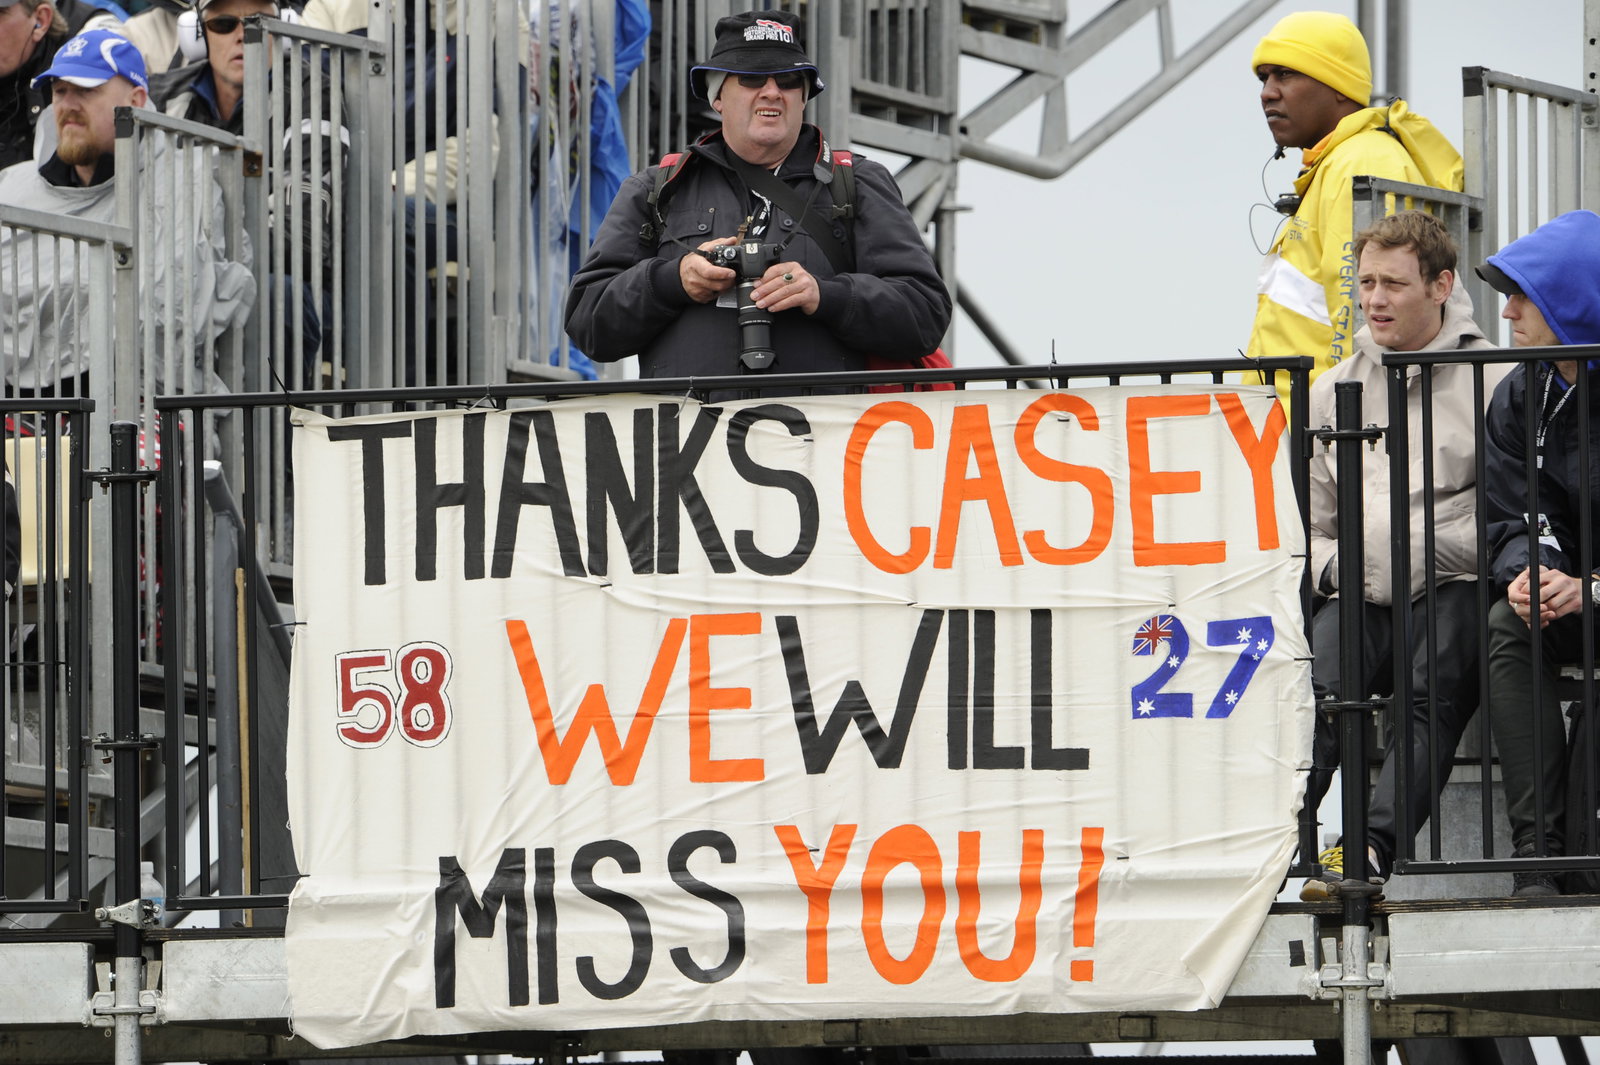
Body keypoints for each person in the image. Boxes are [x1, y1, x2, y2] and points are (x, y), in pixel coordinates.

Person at [563, 8, 950, 387]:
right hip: (688, 445)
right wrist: (673, 280)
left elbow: (926, 314)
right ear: (717, 96)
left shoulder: (857, 181)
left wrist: (825, 294)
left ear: (804, 96)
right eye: (751, 79)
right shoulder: (657, 188)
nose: (772, 92)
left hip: (820, 444)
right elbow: (587, 322)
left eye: (787, 80)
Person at [1298, 210, 1500, 900]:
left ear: (1442, 285)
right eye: (1366, 282)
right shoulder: (1330, 391)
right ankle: (1280, 847)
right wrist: (1337, 571)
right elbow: (1312, 527)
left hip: (1457, 584)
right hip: (1359, 588)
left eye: (1393, 283)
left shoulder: (1495, 379)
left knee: (1427, 692)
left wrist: (1416, 550)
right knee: (1313, 693)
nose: (1374, 299)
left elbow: (1507, 519)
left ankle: (1368, 850)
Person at [0, 27, 255, 395]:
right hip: (24, 409)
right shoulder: (13, 187)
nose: (67, 104)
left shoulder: (185, 180)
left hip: (141, 405)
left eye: (85, 90)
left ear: (135, 101)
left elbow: (169, 311)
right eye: (59, 91)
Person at [1247, 11, 1462, 404]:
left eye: (1285, 74)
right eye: (1264, 78)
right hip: (1304, 430)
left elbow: (1369, 319)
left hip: (1329, 437)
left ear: (1340, 87)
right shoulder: (1338, 162)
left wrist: (1345, 434)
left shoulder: (1361, 163)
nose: (1268, 92)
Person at [1479, 210, 1600, 898]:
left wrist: (1591, 588)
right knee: (1505, 623)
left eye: (1526, 292)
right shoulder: (1521, 390)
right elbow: (1508, 509)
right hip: (1571, 594)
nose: (1509, 308)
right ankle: (1537, 853)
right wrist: (1529, 572)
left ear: (1573, 298)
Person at [150, 0, 337, 384]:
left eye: (257, 21)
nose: (242, 35)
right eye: (222, 24)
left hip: (286, 287)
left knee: (277, 297)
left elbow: (302, 237)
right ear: (197, 34)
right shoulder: (161, 98)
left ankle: (273, 443)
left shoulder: (312, 93)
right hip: (176, 277)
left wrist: (199, 256)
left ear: (284, 27)